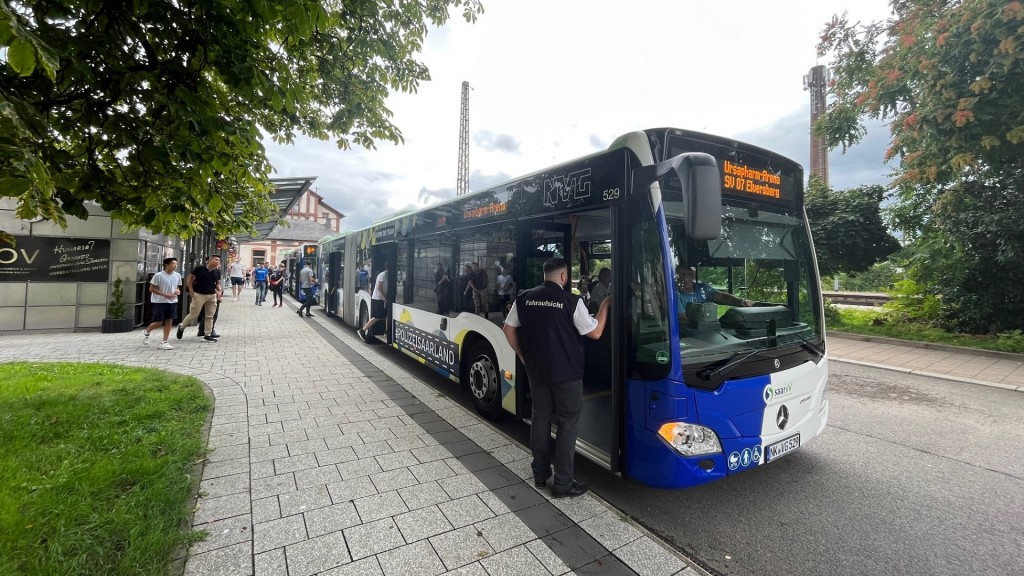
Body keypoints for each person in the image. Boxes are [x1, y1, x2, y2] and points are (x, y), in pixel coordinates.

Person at [502, 258, 611, 498]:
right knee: (567, 424)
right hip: (567, 374)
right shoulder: (571, 301)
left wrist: (522, 356)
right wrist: (604, 307)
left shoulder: (525, 298)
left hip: (536, 370)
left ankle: (540, 474)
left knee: (540, 418)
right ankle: (562, 483)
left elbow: (508, 328)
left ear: (545, 274)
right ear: (563, 277)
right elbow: (595, 332)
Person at [177, 254, 223, 342]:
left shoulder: (217, 271)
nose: (217, 262)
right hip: (199, 294)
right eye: (216, 260)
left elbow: (217, 283)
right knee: (194, 314)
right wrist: (191, 291)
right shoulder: (199, 269)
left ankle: (207, 334)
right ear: (209, 260)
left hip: (211, 295)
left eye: (219, 260)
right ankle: (182, 326)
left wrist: (219, 291)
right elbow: (190, 278)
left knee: (210, 316)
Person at [675, 265, 752, 313]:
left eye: (686, 275)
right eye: (679, 275)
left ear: (693, 276)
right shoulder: (675, 293)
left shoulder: (703, 288)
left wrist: (739, 301)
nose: (683, 278)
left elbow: (721, 297)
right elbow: (683, 317)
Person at [143, 257, 182, 350]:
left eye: (176, 264)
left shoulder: (177, 275)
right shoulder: (158, 275)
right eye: (173, 263)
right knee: (159, 322)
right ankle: (147, 331)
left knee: (169, 321)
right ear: (167, 265)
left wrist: (177, 291)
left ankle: (164, 341)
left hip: (172, 301)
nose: (175, 266)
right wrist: (165, 295)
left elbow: (177, 287)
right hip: (160, 301)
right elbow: (151, 288)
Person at [358, 261, 389, 341]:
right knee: (377, 317)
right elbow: (378, 288)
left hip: (381, 298)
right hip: (378, 299)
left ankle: (386, 331)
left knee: (386, 314)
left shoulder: (387, 274)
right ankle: (363, 330)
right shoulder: (382, 275)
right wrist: (384, 298)